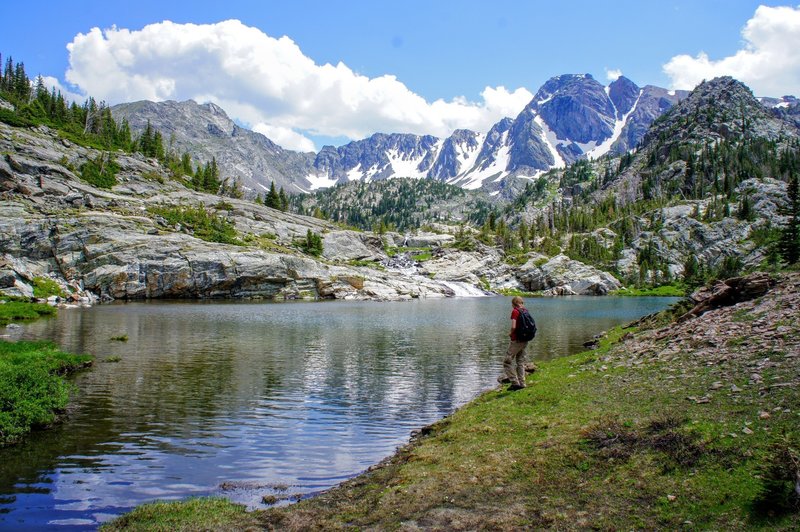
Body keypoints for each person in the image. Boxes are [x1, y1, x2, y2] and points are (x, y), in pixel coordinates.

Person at [501, 296, 531, 391]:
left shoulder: (515, 311)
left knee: (507, 361)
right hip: (525, 339)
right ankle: (522, 383)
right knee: (520, 362)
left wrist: (510, 333)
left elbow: (514, 326)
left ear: (513, 303)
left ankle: (515, 383)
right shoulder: (525, 310)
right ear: (522, 302)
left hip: (517, 340)